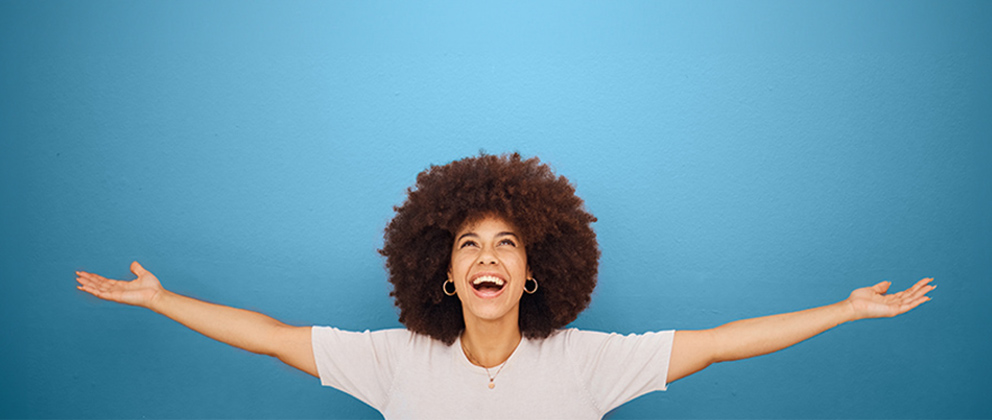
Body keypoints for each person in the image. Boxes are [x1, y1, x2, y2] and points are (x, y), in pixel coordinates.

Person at [76, 153, 934, 419]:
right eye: (469, 244)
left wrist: (847, 310)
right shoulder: (391, 361)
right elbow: (267, 334)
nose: (489, 255)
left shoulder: (589, 364)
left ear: (533, 271)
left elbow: (716, 343)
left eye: (508, 243)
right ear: (445, 273)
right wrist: (161, 300)